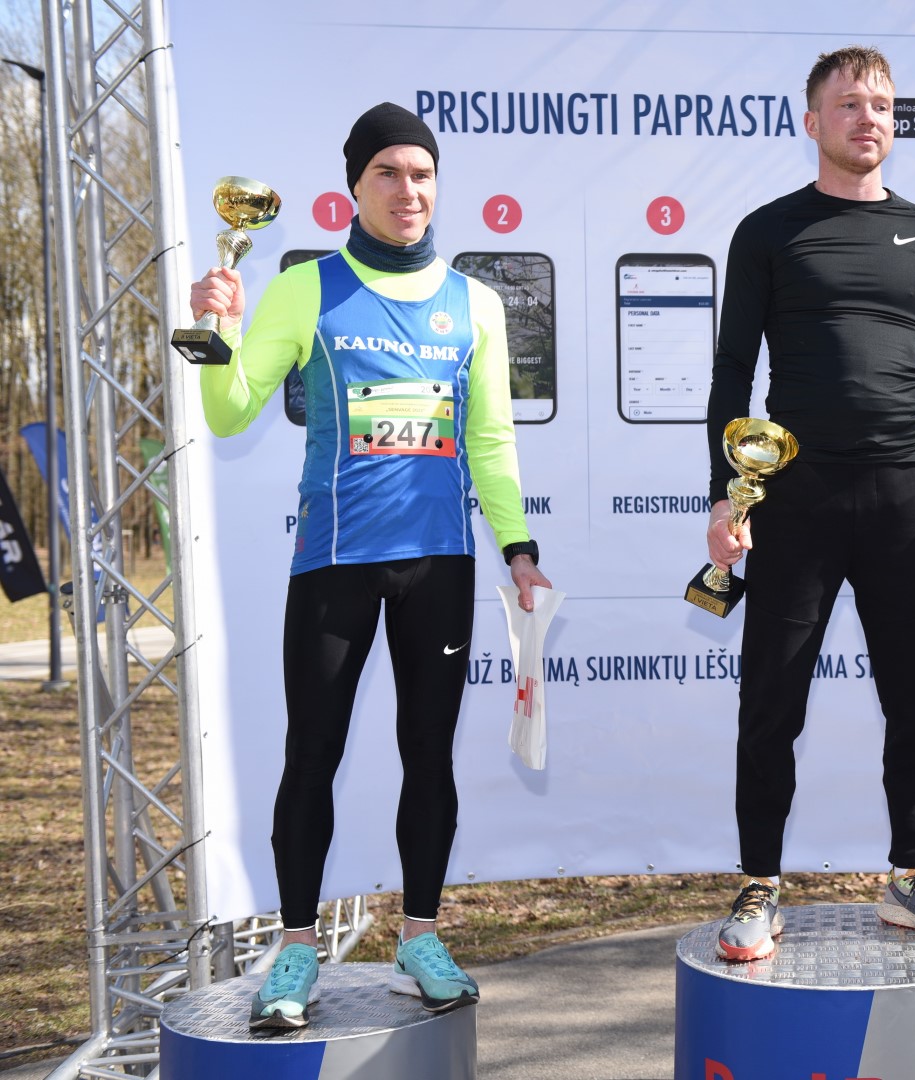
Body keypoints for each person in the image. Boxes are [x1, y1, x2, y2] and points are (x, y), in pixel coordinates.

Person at [188, 102, 549, 1028]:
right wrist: (217, 336)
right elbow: (229, 413)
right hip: (335, 563)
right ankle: (294, 951)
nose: (407, 189)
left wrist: (519, 549)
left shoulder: (474, 303)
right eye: (388, 171)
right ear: (355, 185)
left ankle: (420, 937)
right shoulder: (305, 287)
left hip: (440, 566)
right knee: (311, 754)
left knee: (428, 755)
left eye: (421, 173)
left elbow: (491, 441)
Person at [703, 45, 915, 962]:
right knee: (771, 701)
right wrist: (724, 496)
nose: (866, 118)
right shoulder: (767, 231)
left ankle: (910, 876)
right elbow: (732, 370)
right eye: (847, 104)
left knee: (912, 700)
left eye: (880, 105)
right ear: (812, 121)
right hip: (793, 498)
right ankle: (759, 886)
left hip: (903, 496)